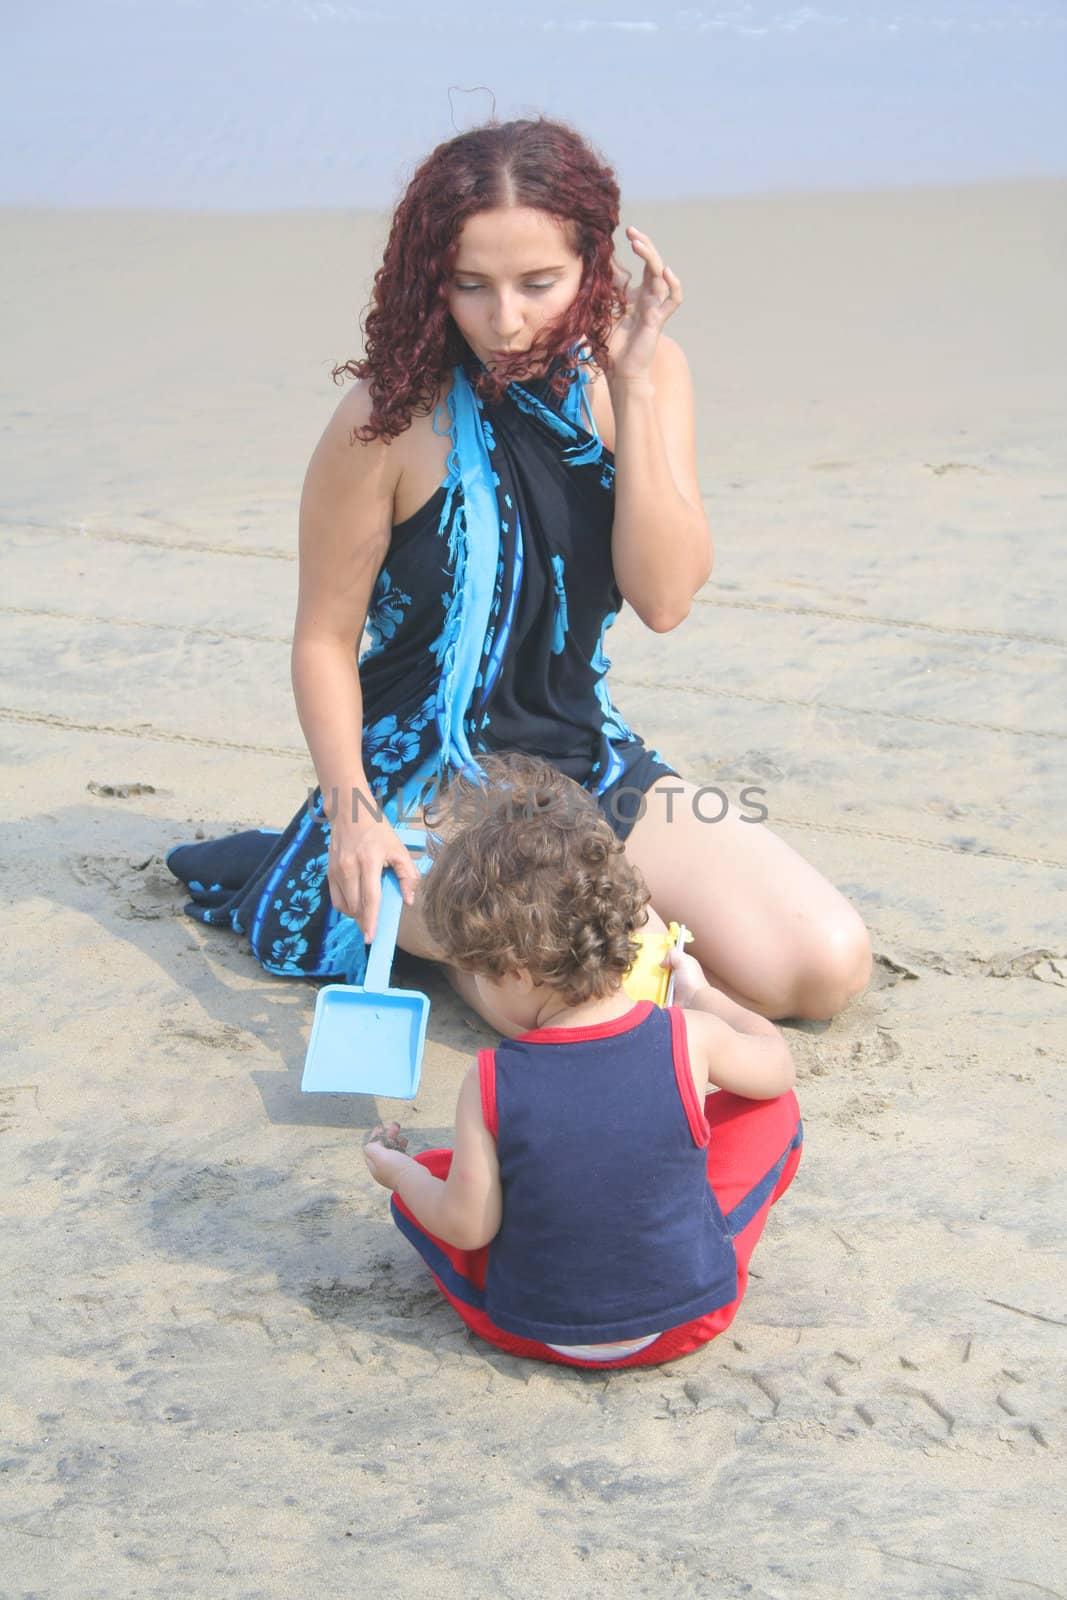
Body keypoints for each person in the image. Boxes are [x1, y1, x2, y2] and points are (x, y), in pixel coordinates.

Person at [166, 116, 871, 1024]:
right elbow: (323, 638)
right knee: (599, 989)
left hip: (582, 755)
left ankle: (551, 933)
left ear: (591, 266)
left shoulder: (645, 375)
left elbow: (663, 598)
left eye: (539, 284)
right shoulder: (385, 419)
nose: (505, 321)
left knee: (821, 966)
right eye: (471, 286)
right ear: (432, 280)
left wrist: (632, 386)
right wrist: (352, 811)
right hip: (425, 782)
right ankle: (348, 867)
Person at [363, 757, 803, 1370]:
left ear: (514, 974)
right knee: (773, 1109)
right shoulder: (689, 1037)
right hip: (687, 1319)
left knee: (441, 1172)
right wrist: (704, 997)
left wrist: (400, 1177)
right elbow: (776, 1066)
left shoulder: (489, 1081)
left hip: (531, 1328)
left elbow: (468, 1227)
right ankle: (693, 1247)